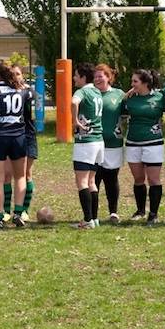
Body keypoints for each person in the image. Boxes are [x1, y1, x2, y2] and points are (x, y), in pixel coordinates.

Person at [0, 63, 34, 228]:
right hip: (18, 137)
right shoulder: (22, 90)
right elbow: (30, 102)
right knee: (20, 177)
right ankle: (18, 213)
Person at [122, 69, 165, 224]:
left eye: (135, 81)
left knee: (153, 179)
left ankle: (153, 214)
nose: (132, 84)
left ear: (146, 83)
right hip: (133, 142)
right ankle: (140, 210)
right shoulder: (129, 98)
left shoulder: (160, 97)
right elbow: (118, 112)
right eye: (132, 81)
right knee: (138, 178)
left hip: (153, 143)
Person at [71, 62, 105, 229]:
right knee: (92, 181)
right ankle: (94, 218)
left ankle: (87, 220)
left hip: (86, 142)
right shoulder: (97, 91)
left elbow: (74, 102)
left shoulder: (82, 91)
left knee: (82, 181)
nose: (74, 78)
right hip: (99, 141)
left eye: (76, 75)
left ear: (84, 77)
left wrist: (75, 121)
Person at [91, 64, 125, 224]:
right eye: (95, 76)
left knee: (111, 178)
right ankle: (92, 214)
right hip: (94, 142)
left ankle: (113, 212)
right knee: (94, 179)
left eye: (101, 76)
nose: (97, 79)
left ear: (108, 77)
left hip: (113, 143)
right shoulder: (90, 93)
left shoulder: (119, 94)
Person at [12, 64, 38, 221]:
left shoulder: (28, 92)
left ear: (23, 75)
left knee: (26, 173)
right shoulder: (5, 92)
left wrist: (26, 90)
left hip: (27, 135)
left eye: (18, 74)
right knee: (9, 174)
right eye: (12, 74)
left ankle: (24, 210)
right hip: (11, 135)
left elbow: (33, 98)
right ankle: (7, 210)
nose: (15, 77)